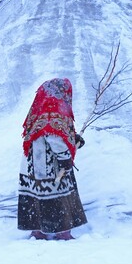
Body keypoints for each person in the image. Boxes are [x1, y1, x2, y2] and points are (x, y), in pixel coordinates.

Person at [18, 77, 87, 240]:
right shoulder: (53, 109)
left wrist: (73, 138)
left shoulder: (40, 108)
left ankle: (38, 230)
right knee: (57, 196)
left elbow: (56, 132)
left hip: (33, 164)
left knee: (37, 195)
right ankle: (62, 232)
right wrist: (65, 158)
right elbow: (54, 136)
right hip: (50, 165)